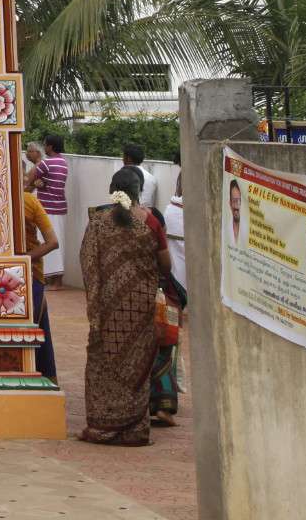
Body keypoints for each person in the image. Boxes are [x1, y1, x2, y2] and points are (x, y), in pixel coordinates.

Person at [79, 166, 172, 446]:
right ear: (138, 190)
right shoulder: (151, 221)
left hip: (107, 306)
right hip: (140, 307)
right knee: (137, 362)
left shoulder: (97, 222)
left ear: (112, 189)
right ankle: (133, 429)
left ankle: (101, 425)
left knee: (103, 363)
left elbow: (86, 262)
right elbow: (165, 264)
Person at [155, 178, 189, 427]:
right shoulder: (164, 216)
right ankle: (165, 404)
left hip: (164, 293)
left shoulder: (168, 213)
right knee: (168, 347)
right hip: (168, 296)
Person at [23, 183, 59, 382]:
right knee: (38, 324)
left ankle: (42, 376)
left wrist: (22, 259)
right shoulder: (29, 201)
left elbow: (53, 242)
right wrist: (25, 259)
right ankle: (48, 377)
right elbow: (52, 241)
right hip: (30, 272)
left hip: (20, 272)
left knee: (35, 326)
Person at [26, 134, 70, 286]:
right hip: (59, 207)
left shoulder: (47, 163)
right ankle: (57, 280)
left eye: (45, 145)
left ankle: (54, 281)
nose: (43, 148)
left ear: (50, 147)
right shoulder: (63, 162)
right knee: (58, 243)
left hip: (48, 208)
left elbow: (28, 179)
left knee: (47, 243)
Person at [123, 143, 160, 210]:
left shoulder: (123, 176)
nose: (122, 160)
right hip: (146, 214)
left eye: (123, 157)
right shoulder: (151, 178)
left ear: (128, 158)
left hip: (128, 215)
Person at [227, 178, 245, 244]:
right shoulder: (225, 230)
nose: (237, 206)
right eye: (234, 201)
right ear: (230, 203)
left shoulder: (248, 229)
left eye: (239, 201)